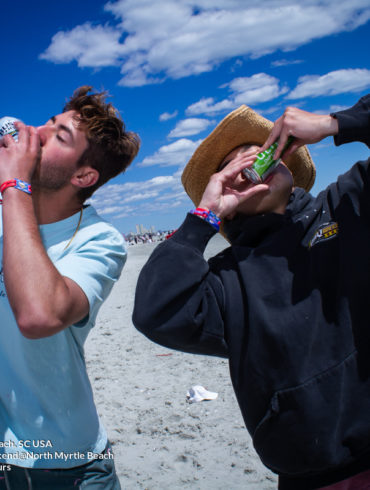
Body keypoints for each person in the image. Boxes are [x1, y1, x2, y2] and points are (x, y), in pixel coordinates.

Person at [133, 94, 370, 489]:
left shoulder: (347, 205)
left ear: (288, 164)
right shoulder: (225, 280)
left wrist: (336, 123)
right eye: (232, 168)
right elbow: (155, 312)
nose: (250, 166)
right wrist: (204, 215)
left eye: (261, 153)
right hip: (311, 475)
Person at [0, 86, 139, 489]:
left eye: (58, 136)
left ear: (83, 176)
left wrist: (15, 186)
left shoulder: (100, 241)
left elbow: (39, 315)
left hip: (68, 466)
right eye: (48, 122)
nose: (38, 132)